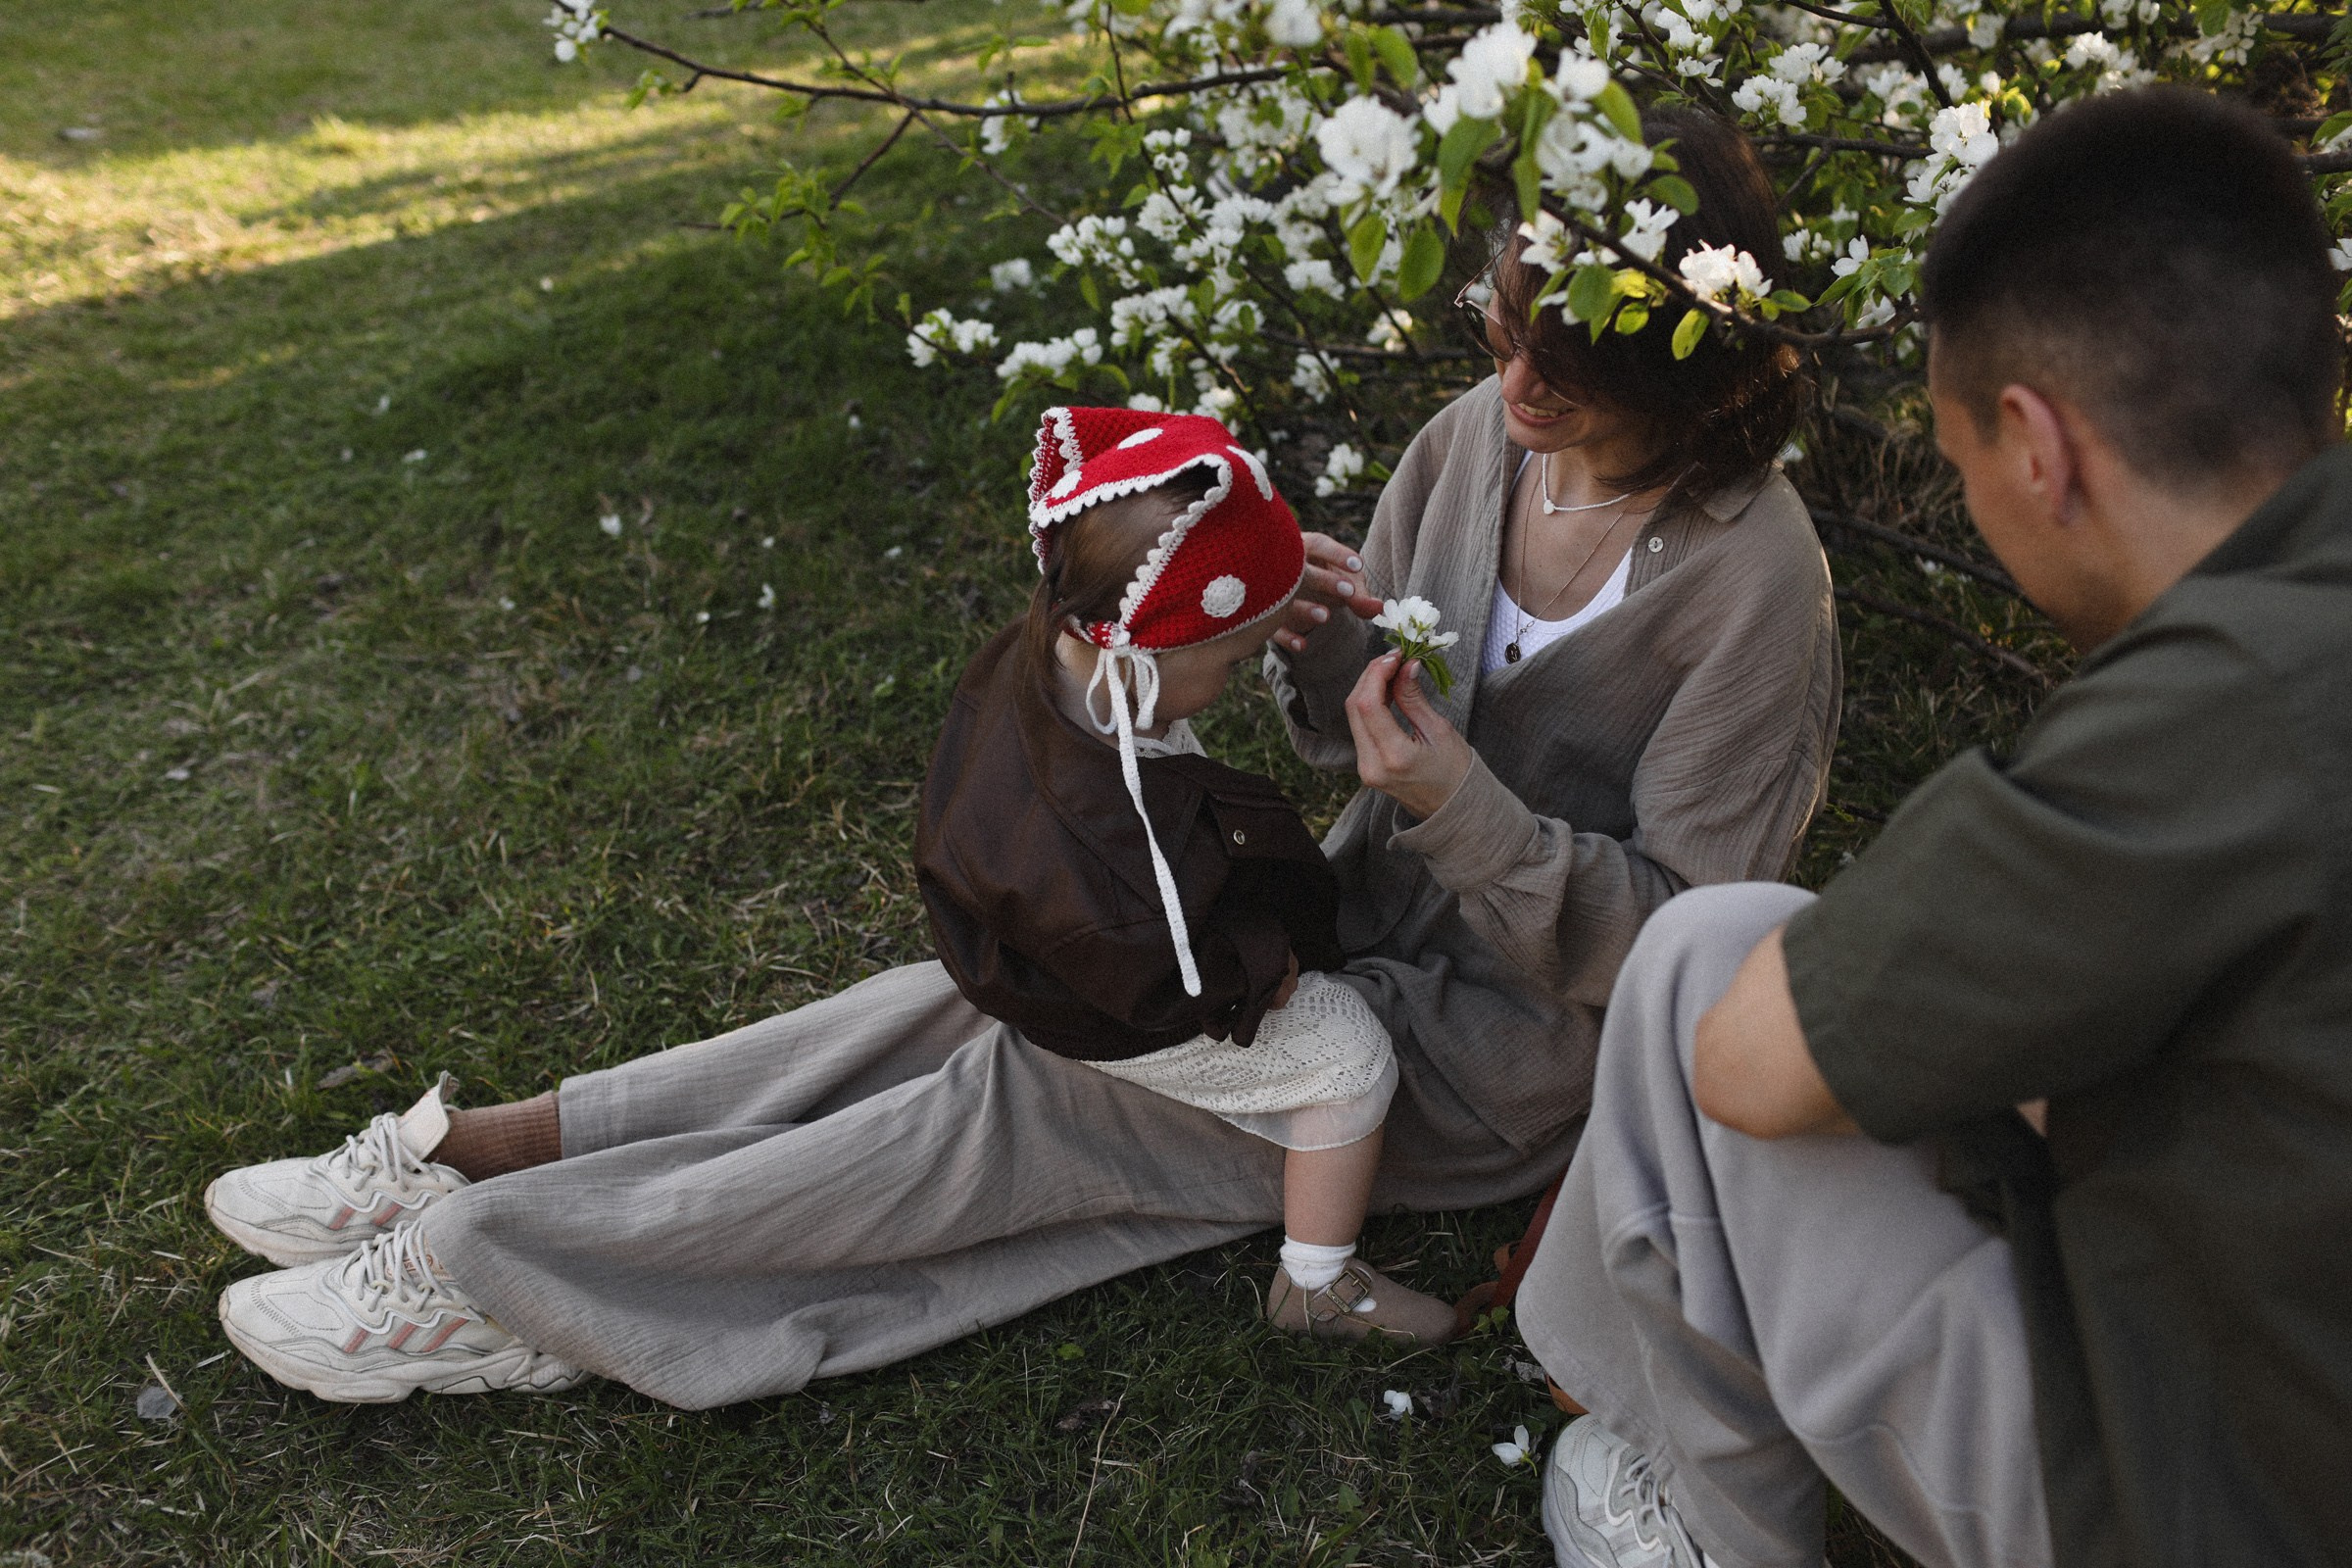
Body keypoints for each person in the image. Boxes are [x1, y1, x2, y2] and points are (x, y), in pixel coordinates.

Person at [200, 108, 1838, 1409]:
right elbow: (1345, 713)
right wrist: (1309, 636)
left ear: (1685, 367)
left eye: (1568, 360)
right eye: (1505, 322)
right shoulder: (1478, 443)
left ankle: (492, 1264)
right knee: (976, 988)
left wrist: (1450, 802)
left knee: (1022, 1103)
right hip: (1319, 918)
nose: (1514, 377)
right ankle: (479, 1150)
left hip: (1494, 1054)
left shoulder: (1757, 591)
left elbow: (1685, 957)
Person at [1516, 87, 2352, 1568]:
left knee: (1707, 964)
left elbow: (1755, 1063)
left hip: (2221, 1507)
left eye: (1961, 465)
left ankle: (1705, 1530)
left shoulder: (2215, 710)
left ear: (2037, 447)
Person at [917, 405, 1453, 1341]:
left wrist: (1266, 587)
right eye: (1239, 654)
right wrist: (1262, 965)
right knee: (1348, 1057)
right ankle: (1317, 1284)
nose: (1247, 668)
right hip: (1115, 995)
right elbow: (1163, 971)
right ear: (1151, 649)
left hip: (1070, 932)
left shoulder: (1074, 639)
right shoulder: (1102, 852)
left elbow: (1168, 575)